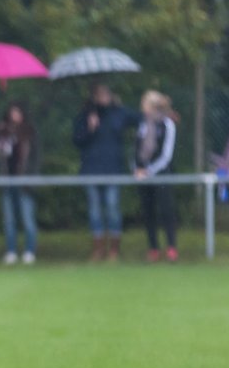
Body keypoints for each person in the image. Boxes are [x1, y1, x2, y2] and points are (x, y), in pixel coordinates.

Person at [73, 84, 142, 261]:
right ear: (94, 97)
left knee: (112, 207)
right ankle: (98, 250)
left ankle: (114, 250)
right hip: (91, 170)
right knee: (95, 210)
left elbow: (141, 119)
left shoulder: (119, 112)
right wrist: (90, 128)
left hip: (113, 169)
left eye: (106, 94)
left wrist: (162, 114)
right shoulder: (85, 115)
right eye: (100, 94)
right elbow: (77, 140)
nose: (104, 97)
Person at [0, 101, 39, 265]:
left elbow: (35, 158)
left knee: (27, 219)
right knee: (9, 220)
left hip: (24, 182)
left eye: (18, 112)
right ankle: (11, 251)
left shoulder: (29, 132)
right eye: (12, 112)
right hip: (7, 181)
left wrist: (30, 177)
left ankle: (30, 251)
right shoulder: (2, 132)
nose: (15, 116)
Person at [134, 90, 179, 262]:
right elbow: (137, 149)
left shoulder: (167, 124)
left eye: (144, 104)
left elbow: (166, 155)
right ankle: (153, 248)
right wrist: (137, 168)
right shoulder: (143, 124)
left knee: (166, 210)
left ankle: (171, 248)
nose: (142, 108)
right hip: (143, 175)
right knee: (148, 212)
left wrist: (150, 171)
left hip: (162, 174)